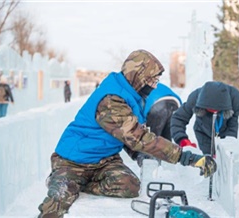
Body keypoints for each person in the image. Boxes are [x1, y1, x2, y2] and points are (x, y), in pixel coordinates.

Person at [38, 49, 217, 218]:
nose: (154, 86)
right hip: (74, 160)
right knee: (60, 199)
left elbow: (125, 136)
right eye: (152, 81)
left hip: (104, 160)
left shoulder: (131, 95)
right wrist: (186, 158)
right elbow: (136, 136)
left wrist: (138, 154)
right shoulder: (111, 100)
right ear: (138, 76)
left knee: (129, 185)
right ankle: (64, 181)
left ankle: (79, 184)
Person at [171, 81, 239, 155]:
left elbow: (234, 127)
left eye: (217, 110)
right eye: (210, 110)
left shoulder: (236, 99)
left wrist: (225, 149)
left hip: (227, 134)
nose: (213, 112)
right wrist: (182, 140)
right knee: (209, 161)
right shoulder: (195, 97)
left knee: (225, 162)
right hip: (203, 133)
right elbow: (178, 118)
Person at [125, 82, 182, 166]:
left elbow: (138, 116)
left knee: (153, 142)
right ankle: (166, 168)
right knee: (166, 141)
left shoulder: (131, 96)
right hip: (175, 102)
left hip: (158, 104)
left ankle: (152, 168)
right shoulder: (142, 86)